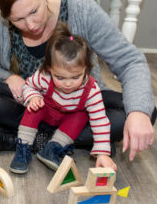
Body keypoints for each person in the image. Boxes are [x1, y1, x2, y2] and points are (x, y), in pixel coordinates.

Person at [0, 0, 157, 161]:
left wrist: (139, 112)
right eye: (18, 19)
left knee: (140, 110)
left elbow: (129, 60)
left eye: (34, 11)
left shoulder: (81, 8)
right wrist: (10, 77)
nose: (31, 25)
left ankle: (27, 139)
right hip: (34, 106)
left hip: (82, 105)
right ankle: (79, 140)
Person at [9, 22, 116, 174]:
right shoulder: (44, 76)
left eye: (75, 77)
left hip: (69, 119)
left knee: (82, 115)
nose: (67, 83)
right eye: (60, 77)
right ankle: (23, 148)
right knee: (34, 108)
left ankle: (52, 148)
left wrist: (103, 153)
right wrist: (33, 97)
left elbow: (100, 121)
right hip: (47, 112)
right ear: (49, 69)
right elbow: (28, 86)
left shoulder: (92, 90)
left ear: (87, 69)